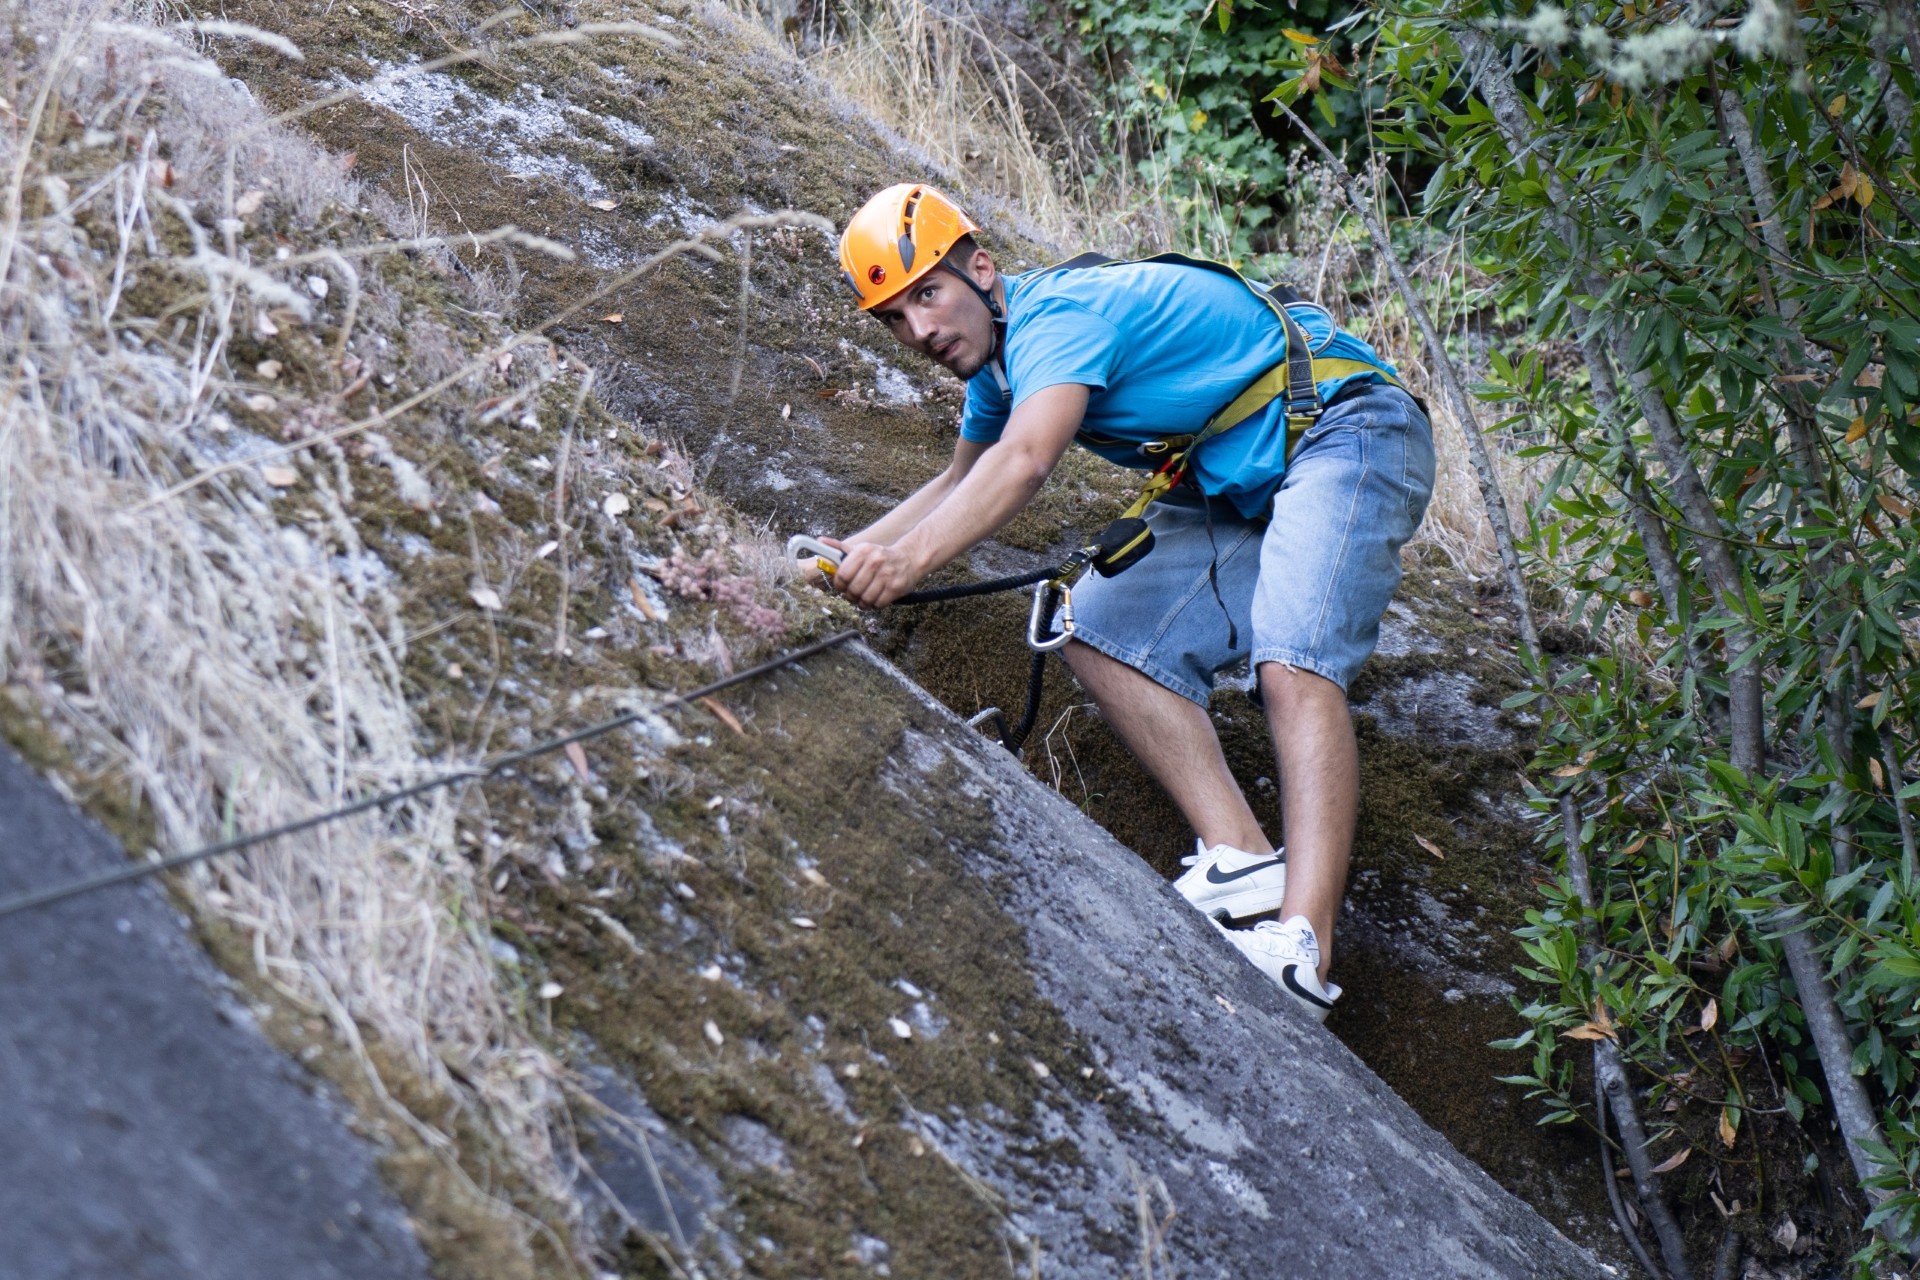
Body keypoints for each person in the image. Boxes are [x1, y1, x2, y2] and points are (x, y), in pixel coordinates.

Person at [817, 182, 1434, 1023]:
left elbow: (1025, 461)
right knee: (1095, 624)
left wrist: (908, 563)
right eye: (894, 317)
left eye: (927, 294)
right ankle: (1239, 856)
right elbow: (960, 478)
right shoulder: (999, 365)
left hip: (1346, 427)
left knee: (1293, 662)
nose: (919, 330)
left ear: (981, 270)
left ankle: (1304, 949)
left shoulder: (1056, 318)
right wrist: (838, 563)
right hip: (1245, 478)